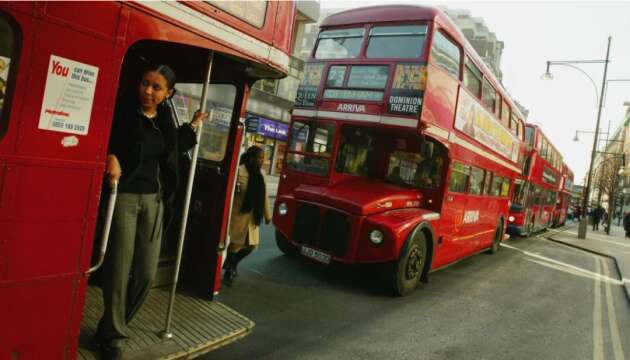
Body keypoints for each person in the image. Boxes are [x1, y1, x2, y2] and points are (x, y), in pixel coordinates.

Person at [97, 64, 208, 359]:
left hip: (155, 202)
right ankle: (115, 337)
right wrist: (109, 156)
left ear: (168, 94)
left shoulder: (165, 120)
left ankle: (109, 327)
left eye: (156, 87)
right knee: (119, 271)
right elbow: (102, 138)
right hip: (124, 199)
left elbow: (171, 150)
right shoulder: (123, 114)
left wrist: (194, 126)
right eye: (145, 83)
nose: (148, 91)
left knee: (146, 274)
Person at [223, 145, 272, 286]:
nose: (262, 161)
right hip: (239, 216)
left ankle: (230, 265)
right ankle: (229, 272)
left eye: (263, 158)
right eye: (259, 158)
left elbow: (264, 197)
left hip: (253, 218)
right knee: (235, 246)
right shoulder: (239, 171)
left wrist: (268, 216)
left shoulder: (262, 174)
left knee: (251, 246)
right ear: (251, 158)